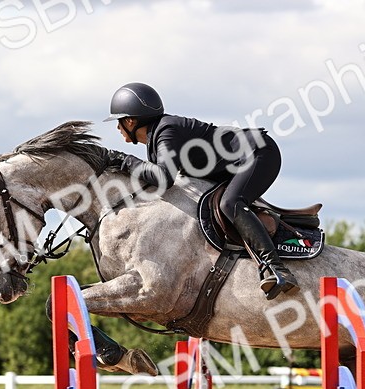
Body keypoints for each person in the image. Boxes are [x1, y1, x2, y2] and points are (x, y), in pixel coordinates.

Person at [102, 82, 298, 300]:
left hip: (258, 152)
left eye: (118, 122)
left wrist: (125, 160)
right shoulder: (158, 137)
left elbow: (164, 178)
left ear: (130, 121)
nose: (118, 128)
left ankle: (276, 268)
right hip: (234, 165)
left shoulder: (167, 130)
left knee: (230, 203)